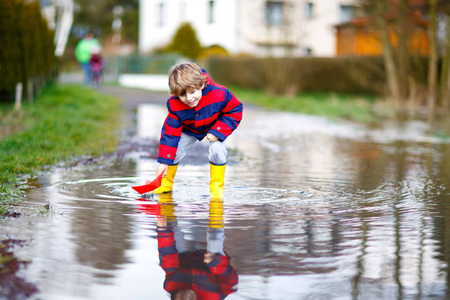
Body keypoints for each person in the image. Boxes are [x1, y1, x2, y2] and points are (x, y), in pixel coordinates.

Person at [153, 62, 243, 198]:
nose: (189, 98)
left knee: (217, 150)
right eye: (182, 95)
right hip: (189, 129)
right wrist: (164, 161)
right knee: (174, 151)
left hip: (215, 128)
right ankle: (165, 184)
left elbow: (235, 110)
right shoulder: (174, 104)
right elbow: (170, 133)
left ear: (201, 85)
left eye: (192, 92)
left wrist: (218, 130)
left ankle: (217, 188)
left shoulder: (220, 94)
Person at [153, 194, 238, 300]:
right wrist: (216, 263)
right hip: (210, 257)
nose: (185, 297)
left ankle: (166, 202)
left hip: (184, 254)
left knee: (168, 228)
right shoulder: (213, 297)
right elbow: (231, 282)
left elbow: (167, 257)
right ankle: (217, 210)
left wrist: (163, 231)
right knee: (214, 243)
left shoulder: (171, 286)